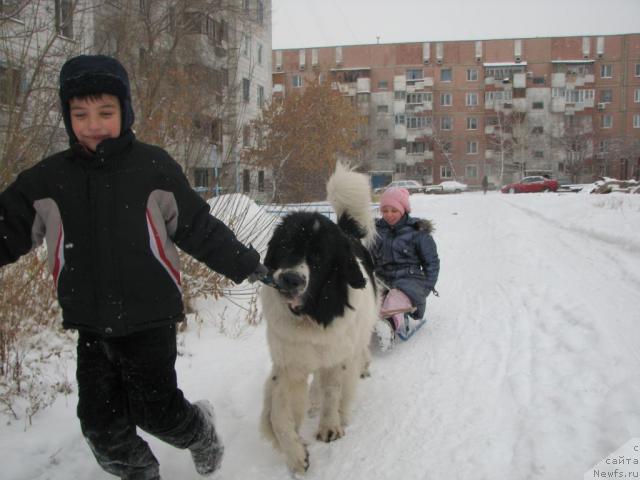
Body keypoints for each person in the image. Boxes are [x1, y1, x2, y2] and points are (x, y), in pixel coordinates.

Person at [0, 54, 268, 480]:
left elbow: (198, 226)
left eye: (105, 112)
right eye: (80, 113)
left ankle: (202, 433)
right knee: (101, 428)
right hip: (90, 324)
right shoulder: (48, 181)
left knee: (157, 412)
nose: (92, 124)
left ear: (125, 111)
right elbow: (7, 226)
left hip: (150, 319)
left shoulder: (153, 168)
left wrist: (248, 263)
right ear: (67, 116)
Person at [371, 187, 440, 349]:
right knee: (371, 296)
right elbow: (369, 256)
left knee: (396, 299)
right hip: (382, 276)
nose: (389, 215)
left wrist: (426, 287)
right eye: (385, 210)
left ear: (403, 210)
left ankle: (388, 325)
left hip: (410, 278)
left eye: (394, 210)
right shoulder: (376, 230)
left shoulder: (418, 232)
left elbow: (431, 262)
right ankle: (363, 321)